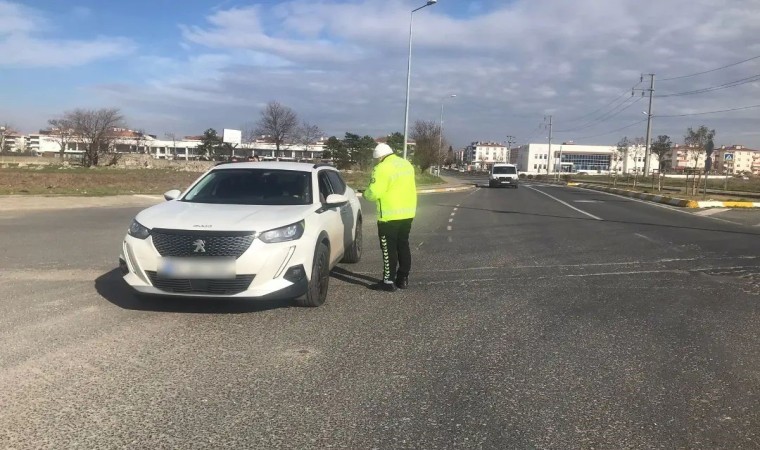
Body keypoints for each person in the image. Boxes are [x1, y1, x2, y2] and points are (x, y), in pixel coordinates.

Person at [363, 143, 417, 292]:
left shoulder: (381, 168)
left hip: (389, 215)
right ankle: (403, 279)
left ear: (379, 157)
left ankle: (388, 281)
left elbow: (374, 193)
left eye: (376, 159)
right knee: (403, 246)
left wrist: (364, 193)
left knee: (388, 249)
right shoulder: (406, 164)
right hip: (407, 214)